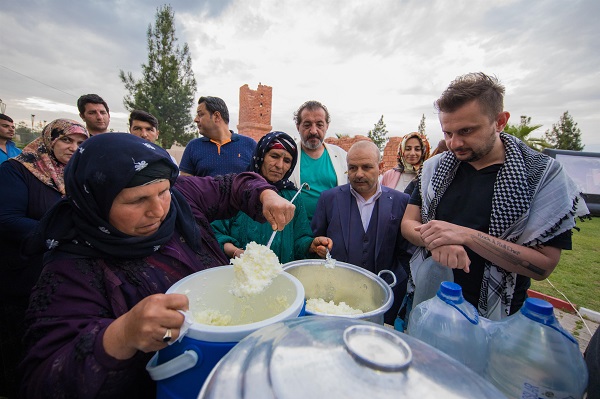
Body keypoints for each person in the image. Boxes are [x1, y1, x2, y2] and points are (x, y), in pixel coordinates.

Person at [18, 133, 295, 398]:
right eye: (137, 200)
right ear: (96, 202)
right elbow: (42, 380)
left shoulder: (181, 197)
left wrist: (265, 195)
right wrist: (121, 335)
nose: (159, 210)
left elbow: (230, 186)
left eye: (163, 192)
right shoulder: (71, 271)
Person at [401, 72, 589, 321]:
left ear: (500, 121)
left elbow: (543, 265)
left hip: (498, 314)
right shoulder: (435, 167)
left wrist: (467, 236)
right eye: (448, 133)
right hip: (429, 300)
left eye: (466, 130)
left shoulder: (542, 176)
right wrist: (438, 240)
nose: (455, 143)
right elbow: (408, 223)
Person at [0, 119, 89, 398]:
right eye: (66, 141)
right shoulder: (17, 170)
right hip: (22, 272)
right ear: (50, 139)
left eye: (79, 143)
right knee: (16, 340)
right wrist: (60, 232)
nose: (73, 148)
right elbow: (6, 219)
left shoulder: (75, 174)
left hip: (59, 274)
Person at [312, 141, 413, 325]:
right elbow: (315, 242)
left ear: (381, 167)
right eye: (353, 168)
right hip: (337, 301)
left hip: (383, 299)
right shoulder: (329, 199)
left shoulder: (401, 201)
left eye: (366, 167)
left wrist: (396, 288)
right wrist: (317, 247)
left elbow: (406, 254)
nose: (359, 174)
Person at [212, 131, 332, 262]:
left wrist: (311, 245)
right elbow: (214, 232)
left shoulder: (293, 197)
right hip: (240, 274)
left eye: (287, 160)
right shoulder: (237, 190)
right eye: (274, 156)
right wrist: (236, 252)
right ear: (261, 156)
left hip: (281, 276)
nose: (280, 165)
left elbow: (300, 239)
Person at [289, 100, 347, 222]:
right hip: (297, 231)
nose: (313, 131)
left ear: (327, 126)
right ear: (297, 127)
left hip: (332, 229)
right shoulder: (287, 157)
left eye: (319, 124)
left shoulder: (342, 157)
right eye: (307, 125)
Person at [179, 96, 256, 177]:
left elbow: (260, 182)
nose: (196, 119)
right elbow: (185, 185)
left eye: (200, 114)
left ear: (216, 116)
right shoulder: (193, 147)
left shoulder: (250, 145)